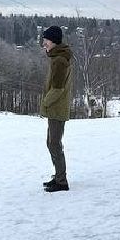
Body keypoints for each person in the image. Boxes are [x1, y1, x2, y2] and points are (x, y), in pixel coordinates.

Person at [40, 25, 73, 192]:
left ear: (53, 41)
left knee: (54, 144)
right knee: (51, 143)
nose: (43, 43)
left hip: (56, 108)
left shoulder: (59, 60)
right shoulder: (57, 57)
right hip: (55, 107)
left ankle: (61, 181)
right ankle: (58, 176)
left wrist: (45, 102)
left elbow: (58, 88)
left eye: (45, 40)